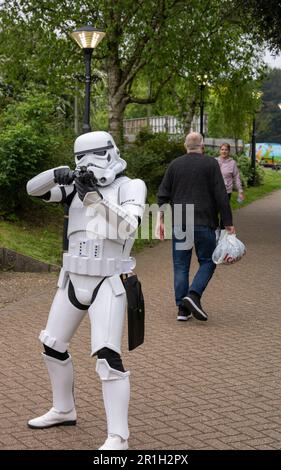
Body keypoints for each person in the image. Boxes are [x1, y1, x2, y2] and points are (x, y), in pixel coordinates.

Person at [26, 131, 146, 450]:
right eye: (81, 157)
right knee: (52, 346)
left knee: (107, 357)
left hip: (107, 280)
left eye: (93, 155)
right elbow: (33, 190)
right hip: (72, 278)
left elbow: (129, 227)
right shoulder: (72, 190)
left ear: (110, 152)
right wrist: (57, 174)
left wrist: (94, 198)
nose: (86, 163)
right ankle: (63, 409)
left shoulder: (129, 186)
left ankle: (118, 435)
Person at [157, 132, 234, 322]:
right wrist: (228, 223)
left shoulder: (175, 165)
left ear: (185, 146)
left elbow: (162, 195)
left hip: (181, 222)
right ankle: (193, 295)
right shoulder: (210, 164)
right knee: (208, 261)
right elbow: (221, 195)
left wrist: (160, 220)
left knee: (181, 265)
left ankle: (182, 310)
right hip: (204, 221)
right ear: (202, 145)